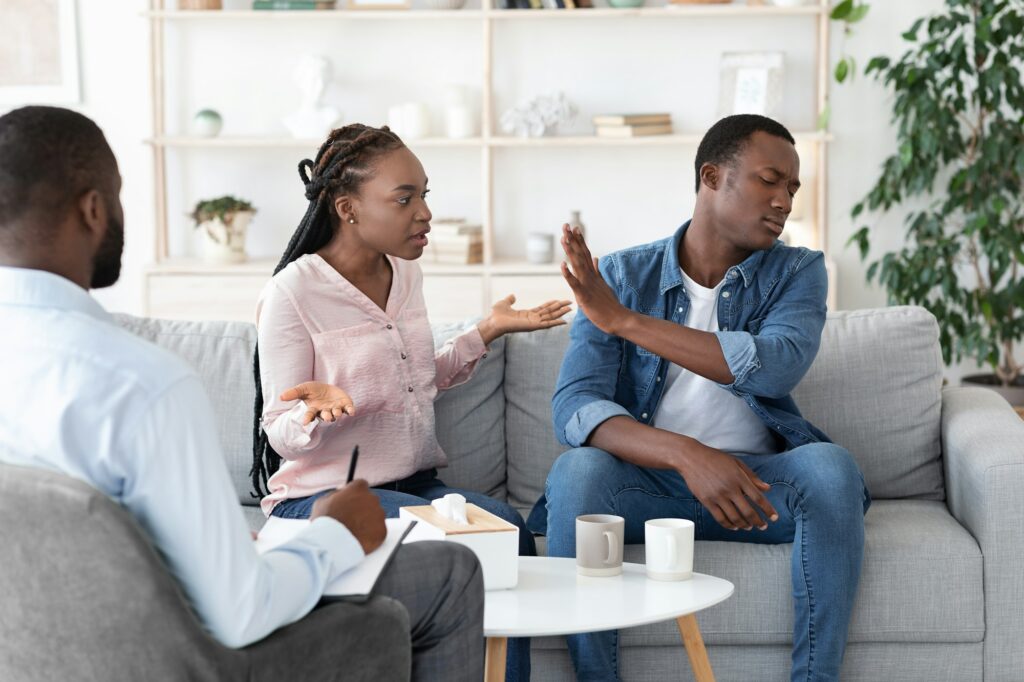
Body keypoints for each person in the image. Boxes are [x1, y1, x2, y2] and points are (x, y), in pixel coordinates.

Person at [0, 105, 484, 681]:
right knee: (453, 572)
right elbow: (241, 613)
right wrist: (335, 534)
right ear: (94, 209)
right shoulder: (143, 384)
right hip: (183, 658)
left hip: (47, 657)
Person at [529, 114, 871, 682]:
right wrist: (686, 455)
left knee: (831, 470)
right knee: (577, 474)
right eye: (770, 180)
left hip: (758, 487)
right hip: (651, 487)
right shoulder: (618, 275)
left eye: (792, 187)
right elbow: (576, 407)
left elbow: (775, 367)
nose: (785, 200)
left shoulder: (797, 271)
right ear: (712, 177)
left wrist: (624, 321)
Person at [251, 122, 569, 680]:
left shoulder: (405, 273)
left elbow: (417, 377)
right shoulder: (292, 293)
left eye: (425, 194)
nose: (424, 212)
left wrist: (486, 330)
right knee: (488, 532)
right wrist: (313, 410)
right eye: (405, 198)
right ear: (348, 209)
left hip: (413, 488)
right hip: (324, 499)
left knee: (507, 530)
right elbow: (278, 430)